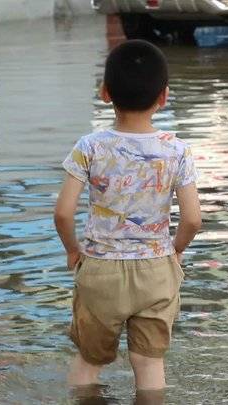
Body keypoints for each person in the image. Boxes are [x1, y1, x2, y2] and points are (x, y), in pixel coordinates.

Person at [53, 39, 202, 394]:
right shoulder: (177, 150)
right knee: (150, 365)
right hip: (156, 270)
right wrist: (175, 250)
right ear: (163, 97)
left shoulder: (89, 146)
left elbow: (62, 213)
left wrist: (73, 251)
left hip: (100, 271)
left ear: (105, 92)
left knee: (89, 362)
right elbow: (193, 219)